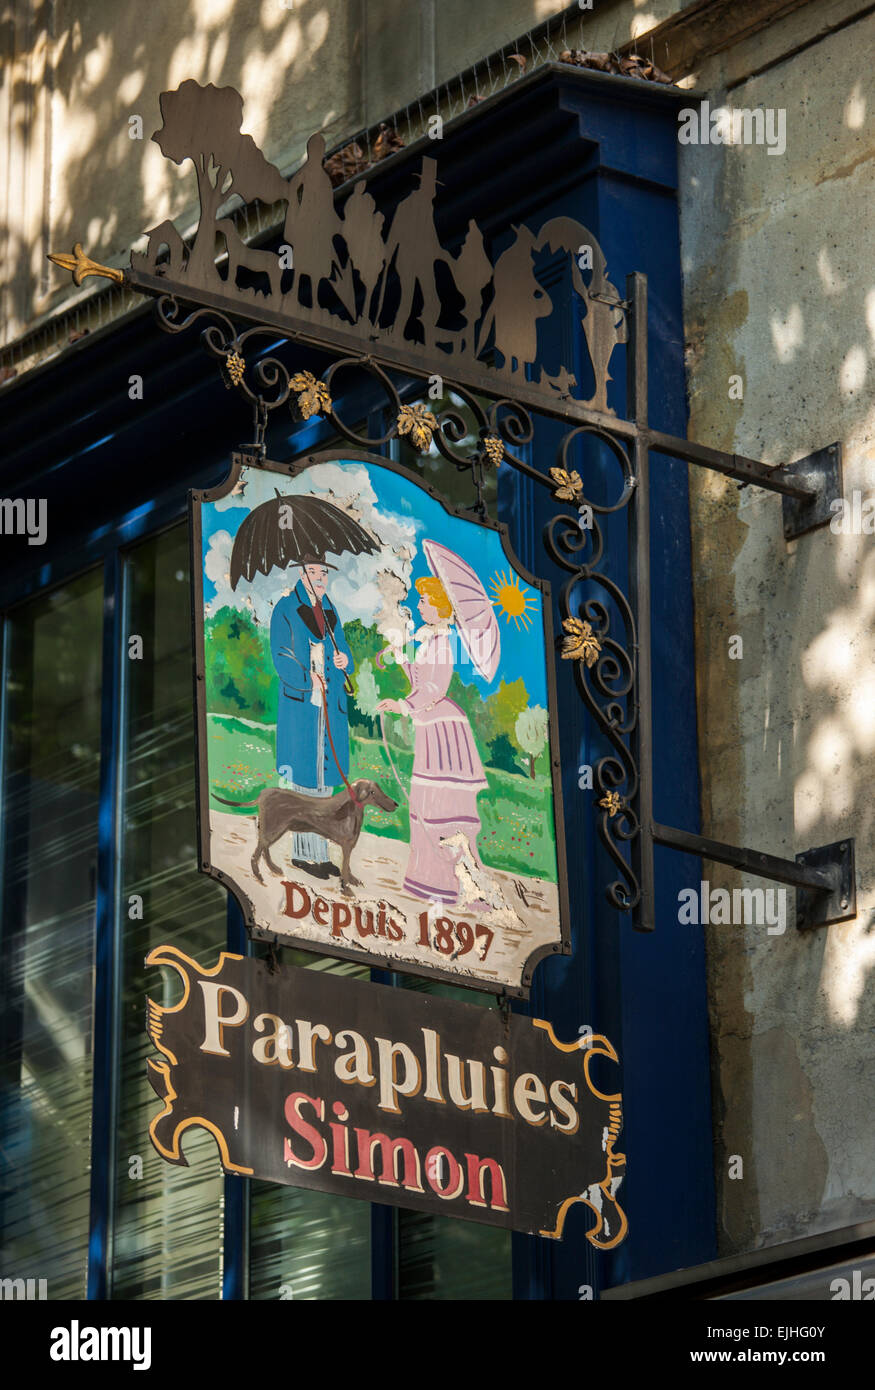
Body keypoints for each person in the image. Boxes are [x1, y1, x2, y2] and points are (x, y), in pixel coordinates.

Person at [376, 576, 488, 905]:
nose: (420, 605)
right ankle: (430, 879)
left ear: (440, 606)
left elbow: (434, 689)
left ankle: (453, 883)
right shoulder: (431, 640)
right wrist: (401, 659)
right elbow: (419, 681)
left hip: (444, 733)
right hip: (431, 727)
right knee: (426, 802)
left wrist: (402, 706)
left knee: (440, 805)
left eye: (424, 600)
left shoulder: (443, 643)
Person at [269, 557, 353, 878]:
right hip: (303, 708)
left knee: (325, 784)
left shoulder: (331, 612)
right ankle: (304, 855)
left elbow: (343, 650)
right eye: (314, 571)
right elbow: (281, 656)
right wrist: (307, 678)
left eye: (325, 573)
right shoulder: (286, 609)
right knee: (304, 784)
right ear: (301, 574)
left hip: (331, 707)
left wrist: (346, 660)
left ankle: (320, 853)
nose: (320, 578)